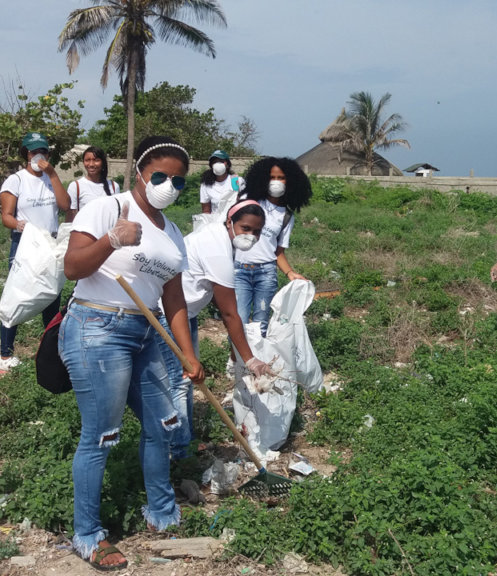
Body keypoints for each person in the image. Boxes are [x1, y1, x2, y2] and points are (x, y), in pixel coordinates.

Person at [59, 136, 205, 571]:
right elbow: (72, 268)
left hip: (146, 332)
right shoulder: (108, 207)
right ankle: (88, 535)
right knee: (101, 436)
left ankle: (161, 514)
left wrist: (187, 353)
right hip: (97, 327)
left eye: (178, 181)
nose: (168, 185)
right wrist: (113, 239)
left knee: (165, 423)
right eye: (160, 176)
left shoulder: (174, 233)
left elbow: (173, 300)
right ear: (140, 172)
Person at [156, 200, 278, 460]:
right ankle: (178, 452)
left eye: (256, 231)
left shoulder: (220, 240)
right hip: (167, 314)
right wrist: (250, 359)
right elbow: (229, 313)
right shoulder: (216, 247)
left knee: (185, 380)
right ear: (229, 222)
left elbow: (215, 293)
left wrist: (239, 349)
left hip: (184, 313)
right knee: (181, 381)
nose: (251, 236)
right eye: (245, 228)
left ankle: (182, 440)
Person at [0, 132, 70, 370]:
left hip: (50, 244)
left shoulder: (51, 178)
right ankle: (5, 355)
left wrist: (53, 174)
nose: (38, 155)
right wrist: (20, 225)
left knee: (51, 296)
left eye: (43, 151)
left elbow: (65, 205)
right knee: (17, 295)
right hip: (25, 244)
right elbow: (6, 216)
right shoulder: (15, 180)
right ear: (26, 154)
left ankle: (50, 352)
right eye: (33, 151)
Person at [236, 157, 312, 336]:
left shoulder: (286, 216)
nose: (276, 182)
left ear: (290, 181)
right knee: (238, 320)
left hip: (266, 273)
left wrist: (290, 273)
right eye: (272, 177)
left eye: (281, 178)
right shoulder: (248, 202)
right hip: (239, 271)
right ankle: (237, 361)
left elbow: (278, 251)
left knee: (261, 323)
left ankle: (257, 360)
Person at [66, 146, 119, 221]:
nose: (91, 164)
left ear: (103, 162)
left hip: (108, 232)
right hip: (84, 231)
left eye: (96, 160)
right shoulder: (76, 186)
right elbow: (71, 216)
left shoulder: (114, 186)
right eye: (87, 160)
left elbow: (115, 215)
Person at [199, 150, 245, 216]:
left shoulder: (236, 181)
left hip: (235, 221)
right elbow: (206, 211)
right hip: (217, 223)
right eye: (215, 162)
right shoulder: (206, 185)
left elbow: (246, 204)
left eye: (221, 161)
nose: (218, 164)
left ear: (227, 164)